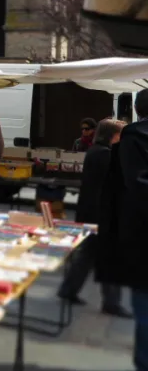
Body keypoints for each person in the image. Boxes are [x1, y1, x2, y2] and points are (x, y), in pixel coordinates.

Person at [97, 90, 148, 371]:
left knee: (144, 304)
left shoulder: (135, 137)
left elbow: (135, 187)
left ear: (137, 109)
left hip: (142, 234)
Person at [58, 118, 129, 316]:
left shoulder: (96, 152)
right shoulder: (105, 154)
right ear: (113, 136)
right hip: (102, 213)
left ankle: (69, 290)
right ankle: (111, 303)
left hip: (92, 211)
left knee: (89, 254)